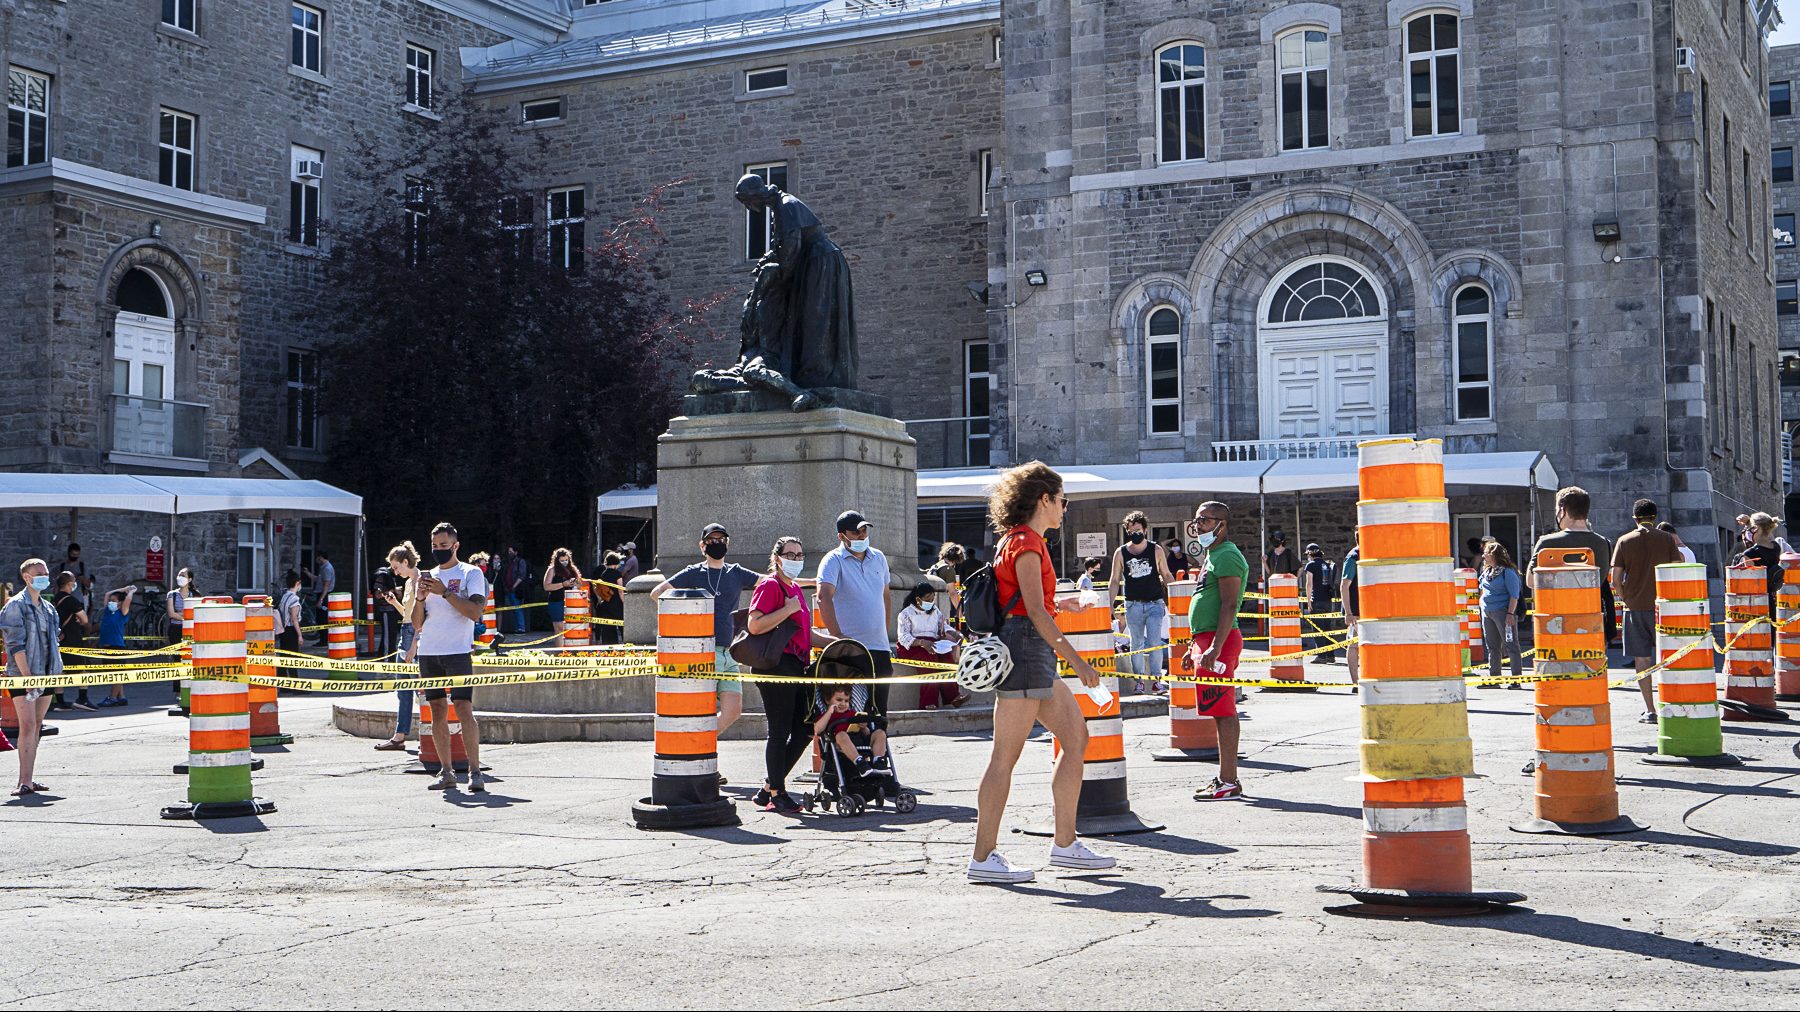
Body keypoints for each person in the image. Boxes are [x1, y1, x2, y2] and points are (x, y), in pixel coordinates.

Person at [968, 462, 1114, 883]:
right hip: (1027, 650)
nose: (1065, 508)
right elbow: (1031, 611)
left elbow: (1025, 603)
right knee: (1004, 757)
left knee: (1075, 737)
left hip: (1025, 648)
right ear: (1044, 499)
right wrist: (1079, 661)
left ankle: (1065, 845)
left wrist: (1059, 606)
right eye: (1062, 500)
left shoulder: (1013, 540)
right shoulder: (1029, 543)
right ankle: (983, 856)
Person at [651, 524, 761, 776]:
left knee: (733, 711)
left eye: (721, 538)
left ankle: (695, 746)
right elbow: (658, 594)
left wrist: (814, 582)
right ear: (702, 546)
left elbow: (773, 583)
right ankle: (699, 759)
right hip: (702, 651)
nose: (716, 543)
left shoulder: (736, 572)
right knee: (702, 709)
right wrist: (688, 611)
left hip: (729, 652)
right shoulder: (693, 572)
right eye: (711, 540)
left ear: (728, 542)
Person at [746, 536, 835, 813]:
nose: (796, 559)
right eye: (790, 554)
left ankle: (768, 787)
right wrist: (786, 609)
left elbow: (805, 634)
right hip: (775, 666)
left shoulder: (794, 588)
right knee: (780, 731)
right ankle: (777, 792)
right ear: (777, 558)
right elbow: (754, 625)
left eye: (799, 555)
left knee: (806, 728)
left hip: (796, 665)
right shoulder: (771, 585)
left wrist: (837, 641)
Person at [413, 522, 490, 792]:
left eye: (443, 546)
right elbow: (416, 623)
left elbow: (474, 612)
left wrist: (444, 592)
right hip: (429, 651)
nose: (438, 550)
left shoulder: (471, 572)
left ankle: (475, 770)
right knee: (437, 712)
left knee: (464, 708)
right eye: (434, 546)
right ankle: (446, 771)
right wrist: (421, 598)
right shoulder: (427, 576)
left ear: (456, 545)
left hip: (457, 650)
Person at [1187, 500, 1249, 801]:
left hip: (1219, 641)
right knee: (1215, 710)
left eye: (1205, 520)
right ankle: (1225, 778)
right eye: (1197, 519)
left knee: (1224, 710)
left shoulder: (1227, 555)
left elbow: (1228, 604)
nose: (1198, 525)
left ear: (1221, 524)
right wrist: (1194, 646)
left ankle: (1229, 781)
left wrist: (1215, 646)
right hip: (1207, 639)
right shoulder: (1212, 555)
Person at [817, 509, 895, 723]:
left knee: (880, 712)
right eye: (856, 532)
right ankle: (849, 755)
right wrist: (837, 637)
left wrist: (885, 633)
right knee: (850, 712)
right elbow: (824, 597)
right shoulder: (833, 560)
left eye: (864, 530)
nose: (862, 535)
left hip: (879, 648)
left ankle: (878, 755)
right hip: (850, 651)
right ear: (841, 536)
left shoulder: (878, 557)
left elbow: (885, 596)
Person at [1611, 499, 1682, 723]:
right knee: (1669, 657)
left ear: (1635, 518)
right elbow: (1678, 564)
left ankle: (1650, 709)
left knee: (1642, 659)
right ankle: (1671, 704)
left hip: (1635, 607)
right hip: (1663, 606)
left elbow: (1615, 578)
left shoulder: (1624, 540)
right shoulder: (1666, 539)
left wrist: (1625, 596)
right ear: (1655, 516)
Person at [2, 558, 63, 796]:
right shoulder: (16, 605)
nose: (44, 577)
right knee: (26, 726)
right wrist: (28, 680)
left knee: (37, 726)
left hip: (47, 675)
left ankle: (27, 777)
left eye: (46, 573)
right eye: (39, 573)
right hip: (23, 677)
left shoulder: (49, 608)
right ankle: (24, 781)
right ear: (26, 577)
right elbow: (16, 645)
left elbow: (54, 641)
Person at [1530, 487, 1616, 650]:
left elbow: (1530, 581)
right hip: (1591, 621)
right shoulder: (1604, 543)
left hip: (1555, 622)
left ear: (1562, 510)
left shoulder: (1547, 542)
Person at [1107, 510, 1175, 694]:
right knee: (1136, 643)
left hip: (1154, 602)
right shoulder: (1121, 553)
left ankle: (1155, 680)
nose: (1135, 534)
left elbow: (1166, 574)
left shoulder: (1156, 550)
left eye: (1138, 530)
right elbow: (1114, 580)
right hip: (1133, 604)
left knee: (1154, 641)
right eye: (1131, 531)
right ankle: (1139, 680)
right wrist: (1109, 604)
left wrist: (1176, 595)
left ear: (1145, 530)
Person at [374, 543, 422, 752]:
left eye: (396, 567)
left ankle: (427, 734)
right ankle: (399, 736)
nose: (395, 572)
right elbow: (408, 615)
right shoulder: (410, 583)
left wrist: (414, 648)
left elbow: (423, 620)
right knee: (403, 690)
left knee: (421, 690)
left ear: (405, 562)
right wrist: (394, 602)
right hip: (406, 632)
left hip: (413, 636)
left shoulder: (420, 582)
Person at [894, 582, 965, 709]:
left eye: (932, 599)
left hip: (934, 644)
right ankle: (928, 702)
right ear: (918, 599)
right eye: (927, 599)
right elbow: (903, 637)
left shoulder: (935, 610)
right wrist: (921, 642)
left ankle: (953, 696)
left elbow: (943, 626)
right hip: (912, 646)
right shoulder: (906, 613)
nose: (931, 602)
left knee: (947, 660)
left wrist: (954, 633)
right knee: (929, 662)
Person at [1478, 542, 1525, 688]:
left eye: (1486, 553)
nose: (1483, 556)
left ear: (1493, 554)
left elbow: (1514, 595)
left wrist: (1510, 614)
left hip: (1503, 613)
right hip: (1487, 613)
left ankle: (1516, 680)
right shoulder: (1487, 571)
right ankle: (1495, 679)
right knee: (1492, 646)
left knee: (1511, 645)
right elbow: (1481, 589)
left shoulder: (1508, 572)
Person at [813, 685, 887, 775]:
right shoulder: (826, 716)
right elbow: (817, 730)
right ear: (828, 700)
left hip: (859, 738)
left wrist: (863, 727)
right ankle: (860, 762)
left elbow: (867, 733)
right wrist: (829, 712)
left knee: (880, 733)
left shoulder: (853, 713)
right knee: (841, 735)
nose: (843, 704)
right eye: (839, 700)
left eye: (846, 701)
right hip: (840, 743)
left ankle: (878, 761)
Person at [51, 572, 92, 711]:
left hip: (59, 640)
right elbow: (84, 620)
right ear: (69, 584)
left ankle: (60, 702)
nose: (74, 585)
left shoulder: (54, 599)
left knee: (61, 671)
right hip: (73, 640)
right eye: (73, 582)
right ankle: (82, 698)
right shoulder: (71, 600)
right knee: (82, 670)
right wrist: (78, 619)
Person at [93, 584, 135, 707]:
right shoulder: (107, 611)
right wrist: (121, 589)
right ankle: (121, 697)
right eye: (110, 601)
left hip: (117, 646)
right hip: (106, 646)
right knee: (112, 674)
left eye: (114, 601)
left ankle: (112, 698)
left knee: (116, 674)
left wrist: (130, 592)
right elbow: (106, 594)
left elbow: (127, 600)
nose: (110, 602)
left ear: (120, 603)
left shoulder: (122, 613)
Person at [1736, 512, 1783, 620]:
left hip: (1755, 603)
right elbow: (1767, 534)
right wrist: (1750, 522)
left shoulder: (1750, 554)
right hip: (1771, 598)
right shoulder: (1776, 547)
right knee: (1770, 632)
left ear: (1756, 528)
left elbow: (1748, 581)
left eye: (1751, 529)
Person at [1300, 543, 1338, 663]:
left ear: (1310, 554)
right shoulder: (1326, 564)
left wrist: (1308, 601)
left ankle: (1321, 656)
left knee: (1318, 629)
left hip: (1316, 600)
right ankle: (1330, 655)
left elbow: (1309, 584)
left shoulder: (1311, 565)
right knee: (1327, 628)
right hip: (1327, 600)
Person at [543, 547, 583, 637]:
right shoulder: (552, 570)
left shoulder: (572, 569)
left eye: (566, 560)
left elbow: (580, 585)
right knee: (559, 629)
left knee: (569, 629)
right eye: (562, 561)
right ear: (557, 560)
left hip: (571, 602)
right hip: (556, 601)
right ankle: (559, 650)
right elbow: (546, 586)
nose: (565, 562)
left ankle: (568, 650)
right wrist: (563, 584)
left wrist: (576, 583)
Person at [590, 551, 626, 645]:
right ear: (616, 563)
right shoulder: (617, 574)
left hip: (606, 603)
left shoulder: (603, 574)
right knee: (622, 626)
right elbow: (620, 591)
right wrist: (625, 603)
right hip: (617, 604)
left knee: (608, 628)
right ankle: (625, 644)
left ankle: (609, 646)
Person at [926, 542, 966, 624]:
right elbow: (952, 593)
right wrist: (960, 613)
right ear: (956, 559)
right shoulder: (948, 569)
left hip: (930, 607)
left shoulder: (935, 566)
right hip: (942, 609)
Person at [1339, 541, 1360, 688]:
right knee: (1354, 645)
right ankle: (1355, 683)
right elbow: (1344, 585)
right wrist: (1348, 612)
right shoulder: (1353, 557)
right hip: (1356, 612)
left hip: (1366, 610)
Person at [500, 547, 529, 635]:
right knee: (513, 609)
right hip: (508, 589)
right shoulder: (509, 563)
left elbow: (522, 575)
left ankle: (521, 628)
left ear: (516, 552)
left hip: (516, 590)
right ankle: (516, 627)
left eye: (511, 551)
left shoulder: (521, 562)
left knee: (518, 608)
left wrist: (514, 586)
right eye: (508, 551)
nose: (509, 553)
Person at [276, 570, 305, 654]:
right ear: (297, 583)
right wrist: (300, 635)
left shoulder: (285, 596)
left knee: (284, 657)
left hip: (283, 630)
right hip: (291, 631)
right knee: (293, 657)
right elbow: (294, 619)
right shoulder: (294, 598)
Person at [312, 550, 336, 644]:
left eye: (317, 557)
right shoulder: (323, 567)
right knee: (320, 617)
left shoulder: (327, 568)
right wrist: (307, 573)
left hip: (324, 595)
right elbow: (318, 579)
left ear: (321, 557)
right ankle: (323, 639)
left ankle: (324, 640)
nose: (316, 559)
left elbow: (326, 585)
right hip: (322, 594)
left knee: (322, 618)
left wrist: (321, 600)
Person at [61, 542, 92, 611]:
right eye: (73, 554)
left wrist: (82, 579)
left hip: (78, 599)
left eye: (77, 555)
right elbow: (58, 584)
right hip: (64, 599)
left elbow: (89, 585)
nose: (75, 557)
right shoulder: (62, 566)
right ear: (69, 553)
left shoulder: (82, 567)